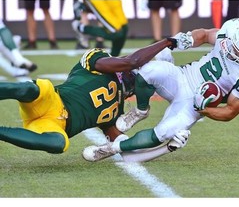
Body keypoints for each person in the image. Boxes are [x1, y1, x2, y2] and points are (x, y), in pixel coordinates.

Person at [82, 18, 239, 162]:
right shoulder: (233, 31)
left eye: (236, 49)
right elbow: (203, 34)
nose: (228, 46)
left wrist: (204, 110)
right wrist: (181, 41)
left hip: (194, 102)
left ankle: (112, 148)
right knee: (149, 70)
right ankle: (141, 111)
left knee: (166, 132)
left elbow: (230, 111)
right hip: (182, 76)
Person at [0, 34, 189, 154]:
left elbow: (123, 145)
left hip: (56, 125)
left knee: (59, 144)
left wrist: (165, 145)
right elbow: (132, 61)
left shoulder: (117, 112)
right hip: (50, 100)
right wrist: (167, 41)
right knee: (32, 89)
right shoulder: (97, 60)